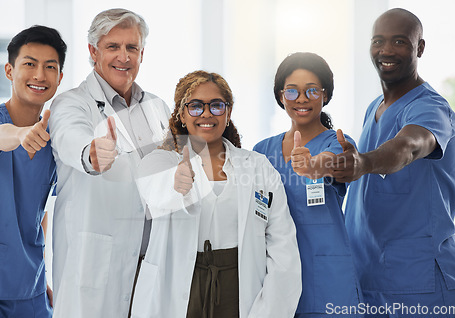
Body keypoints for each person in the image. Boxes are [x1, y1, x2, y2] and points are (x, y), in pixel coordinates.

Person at [131, 70, 302, 318]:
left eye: (217, 106)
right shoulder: (163, 161)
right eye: (196, 106)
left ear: (228, 112)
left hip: (238, 289)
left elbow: (282, 247)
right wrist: (175, 182)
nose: (207, 113)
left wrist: (269, 311)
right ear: (181, 113)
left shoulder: (258, 166)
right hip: (181, 291)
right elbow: (151, 189)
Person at [333, 8, 455, 316]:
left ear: (420, 48)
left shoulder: (429, 108)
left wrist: (363, 162)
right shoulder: (374, 108)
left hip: (421, 284)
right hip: (370, 279)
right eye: (379, 41)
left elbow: (408, 147)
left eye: (400, 42)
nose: (386, 51)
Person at [48, 8, 170, 318]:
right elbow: (69, 138)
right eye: (113, 46)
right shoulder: (72, 103)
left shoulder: (157, 108)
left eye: (132, 47)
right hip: (96, 265)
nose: (123, 57)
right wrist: (92, 153)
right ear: (93, 51)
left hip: (150, 264)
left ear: (142, 53)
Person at [0, 25, 66, 317]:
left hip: (29, 287)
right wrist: (20, 136)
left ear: (59, 77)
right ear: (9, 70)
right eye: (29, 64)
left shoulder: (53, 140)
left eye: (50, 67)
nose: (39, 75)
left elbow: (39, 209)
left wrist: (41, 276)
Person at [253, 52, 362, 317]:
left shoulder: (337, 143)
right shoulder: (261, 151)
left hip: (327, 277)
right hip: (274, 276)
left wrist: (312, 166)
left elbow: (332, 161)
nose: (301, 99)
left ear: (325, 95)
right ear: (281, 96)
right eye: (292, 91)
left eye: (312, 90)